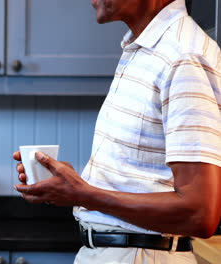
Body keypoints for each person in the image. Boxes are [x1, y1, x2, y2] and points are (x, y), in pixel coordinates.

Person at [13, 0, 221, 263]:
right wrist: (74, 187)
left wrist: (84, 194)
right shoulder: (145, 49)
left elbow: (200, 212)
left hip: (141, 254)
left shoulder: (182, 56)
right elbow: (140, 178)